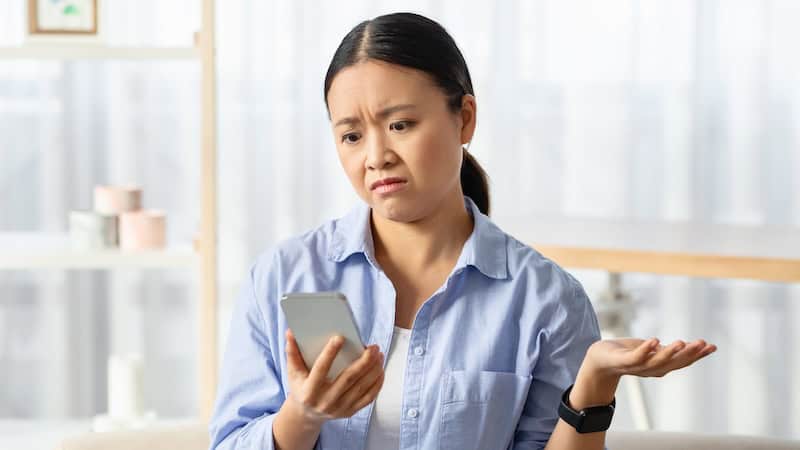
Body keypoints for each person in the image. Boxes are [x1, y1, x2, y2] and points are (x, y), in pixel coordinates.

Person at [208, 12, 716, 450]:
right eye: (351, 135)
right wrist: (304, 414)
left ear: (464, 119)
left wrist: (595, 383)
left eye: (401, 124)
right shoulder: (284, 277)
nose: (376, 155)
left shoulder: (547, 300)